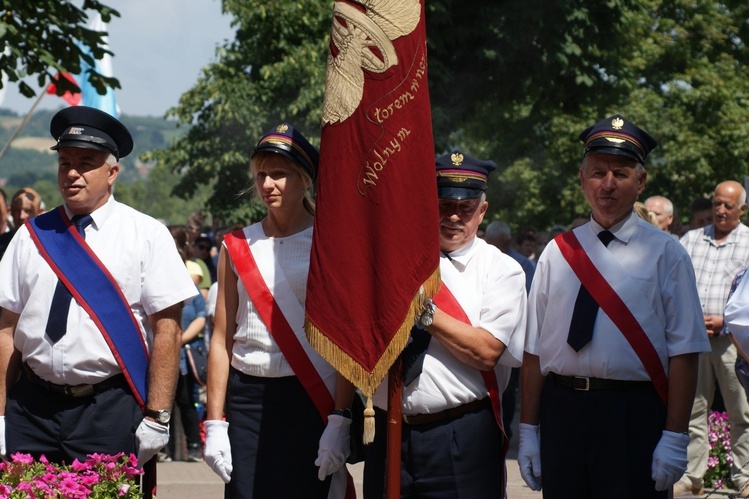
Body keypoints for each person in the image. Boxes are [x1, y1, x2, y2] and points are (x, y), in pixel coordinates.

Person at [519, 115, 708, 498]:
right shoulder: (557, 252)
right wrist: (528, 429)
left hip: (633, 416)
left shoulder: (667, 254)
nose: (607, 184)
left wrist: (674, 435)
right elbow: (534, 350)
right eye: (598, 172)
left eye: (620, 173)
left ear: (640, 182)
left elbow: (685, 353)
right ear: (581, 178)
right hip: (563, 412)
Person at [0, 107, 197, 470]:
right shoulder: (29, 237)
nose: (72, 173)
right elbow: (7, 330)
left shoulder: (147, 235)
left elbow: (166, 331)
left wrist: (157, 415)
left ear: (112, 172)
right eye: (64, 163)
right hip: (31, 409)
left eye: (86, 163)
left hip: (107, 409)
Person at [363, 151, 527, 498]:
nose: (453, 216)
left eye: (465, 208)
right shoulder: (394, 261)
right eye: (443, 205)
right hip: (389, 432)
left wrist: (424, 312)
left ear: (482, 211)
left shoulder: (501, 269)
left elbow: (486, 351)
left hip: (460, 437)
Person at [204, 123, 353, 499]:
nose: (268, 184)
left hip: (310, 394)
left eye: (280, 174)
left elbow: (346, 338)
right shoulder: (236, 245)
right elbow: (221, 339)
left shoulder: (331, 241)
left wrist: (341, 414)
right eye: (261, 174)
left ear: (305, 180)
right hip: (247, 397)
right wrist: (215, 420)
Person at [676, 180, 749, 497]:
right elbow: (674, 283)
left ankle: (744, 477)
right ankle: (692, 477)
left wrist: (726, 322)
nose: (720, 210)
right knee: (693, 410)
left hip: (733, 342)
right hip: (693, 339)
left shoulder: (748, 241)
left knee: (742, 413)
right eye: (717, 203)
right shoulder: (691, 239)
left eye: (728, 206)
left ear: (742, 210)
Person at [166, 226, 207, 463]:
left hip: (186, 355)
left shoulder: (191, 289)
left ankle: (193, 447)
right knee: (165, 404)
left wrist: (181, 338)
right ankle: (165, 451)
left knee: (187, 402)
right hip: (161, 354)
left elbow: (201, 315)